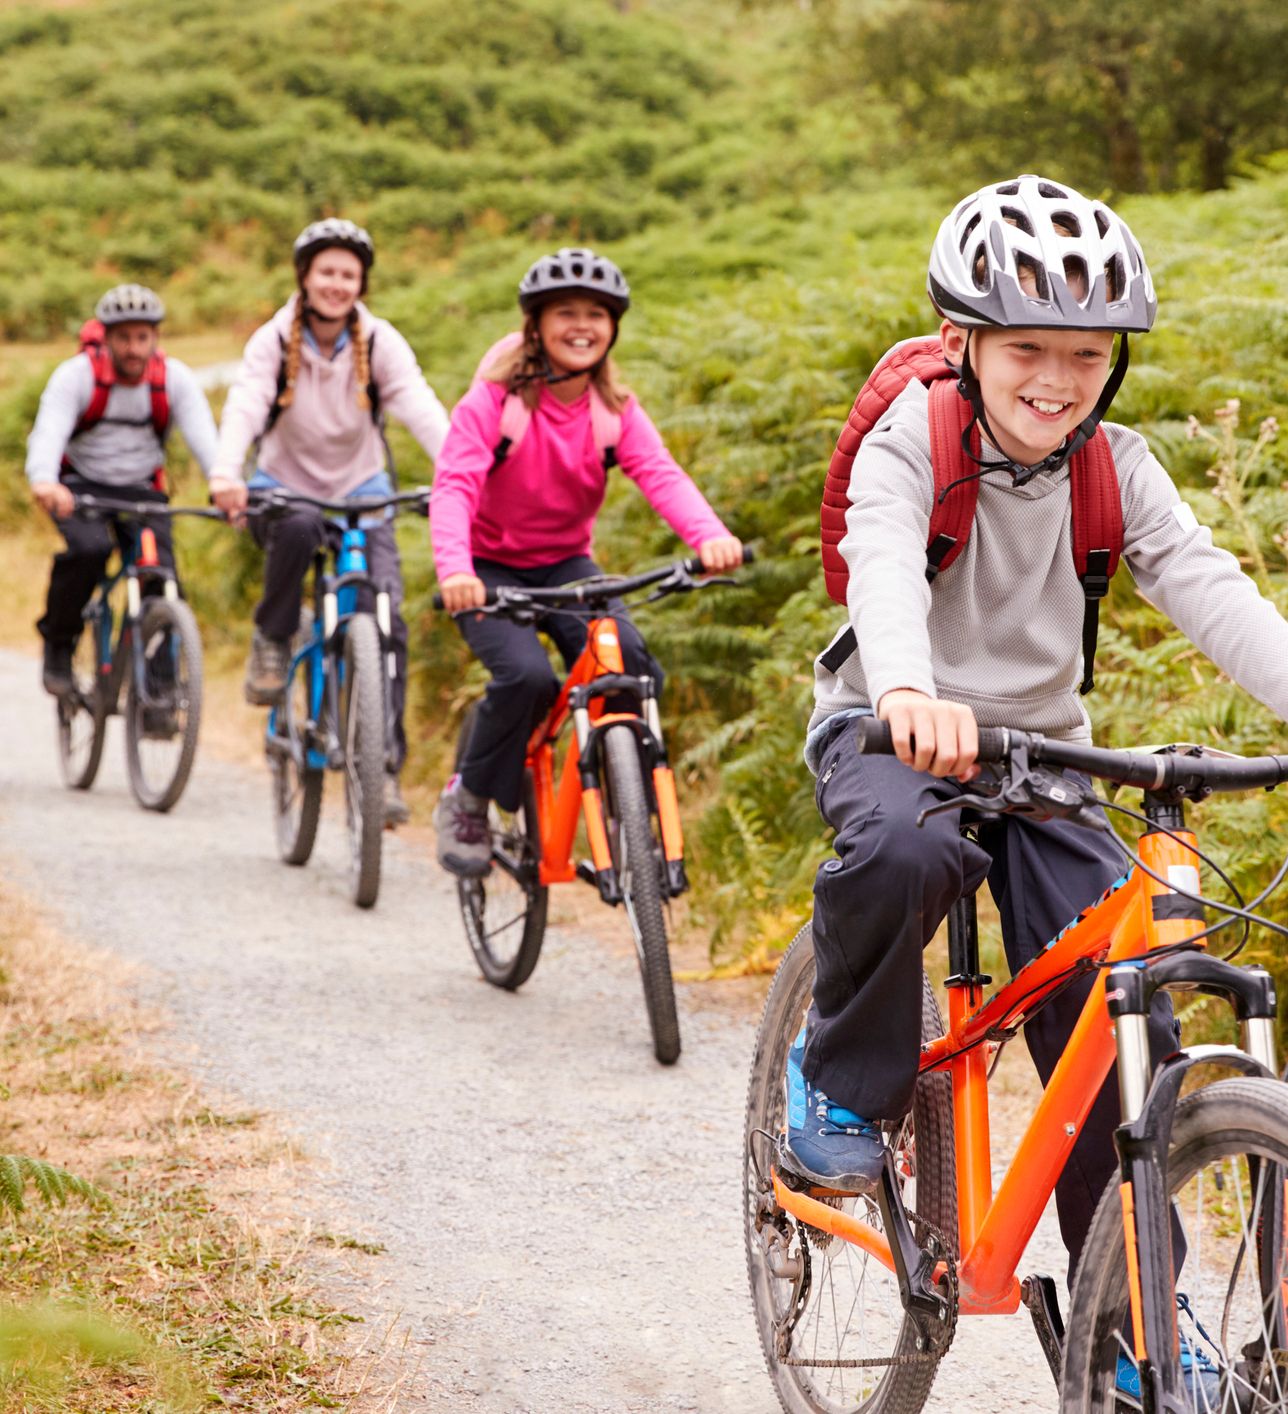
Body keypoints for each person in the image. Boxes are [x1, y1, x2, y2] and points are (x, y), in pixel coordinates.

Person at [789, 175, 1288, 1401]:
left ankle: (1125, 1332)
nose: (1054, 379)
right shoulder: (918, 437)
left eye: (1083, 353)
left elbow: (1214, 592)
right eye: (1026, 349)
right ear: (963, 344)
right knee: (906, 856)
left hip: (1046, 761)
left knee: (1129, 999)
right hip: (888, 730)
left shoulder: (1116, 469)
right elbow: (881, 561)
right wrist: (905, 688)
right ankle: (834, 1080)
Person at [430, 247, 742, 876]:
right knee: (526, 679)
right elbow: (455, 485)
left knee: (629, 664)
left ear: (613, 327)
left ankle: (637, 812)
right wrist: (456, 571)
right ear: (536, 327)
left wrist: (710, 536)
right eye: (565, 313)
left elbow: (662, 475)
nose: (582, 326)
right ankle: (466, 799)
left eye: (596, 314)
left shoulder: (613, 410)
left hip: (567, 563)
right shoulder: (494, 403)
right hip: (487, 569)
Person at [210, 218, 450, 828]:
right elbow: (244, 403)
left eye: (349, 274)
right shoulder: (273, 339)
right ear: (305, 278)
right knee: (294, 529)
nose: (337, 284)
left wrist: (459, 471)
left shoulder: (380, 341)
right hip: (284, 484)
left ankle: (383, 770)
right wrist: (224, 472)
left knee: (386, 617)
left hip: (363, 487)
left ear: (361, 283)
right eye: (327, 272)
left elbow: (419, 404)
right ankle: (273, 637)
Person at [26, 283, 225, 694]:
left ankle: (160, 688)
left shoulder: (175, 380)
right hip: (80, 490)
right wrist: (45, 481)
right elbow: (48, 434)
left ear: (156, 337)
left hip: (142, 492)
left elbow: (210, 446)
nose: (133, 348)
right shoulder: (75, 376)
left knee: (162, 578)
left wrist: (226, 485)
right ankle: (59, 645)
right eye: (123, 337)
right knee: (89, 551)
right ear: (105, 337)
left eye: (142, 337)